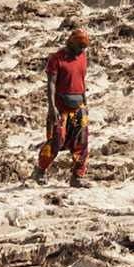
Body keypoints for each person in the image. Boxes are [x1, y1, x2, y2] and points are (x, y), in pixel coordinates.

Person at [34, 15, 92, 186]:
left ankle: (77, 177)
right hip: (60, 106)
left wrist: (85, 104)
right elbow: (51, 84)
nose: (82, 50)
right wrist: (52, 108)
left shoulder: (82, 57)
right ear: (71, 43)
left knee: (82, 141)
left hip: (79, 105)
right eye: (80, 47)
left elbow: (81, 81)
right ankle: (40, 171)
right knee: (56, 141)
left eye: (84, 47)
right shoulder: (56, 59)